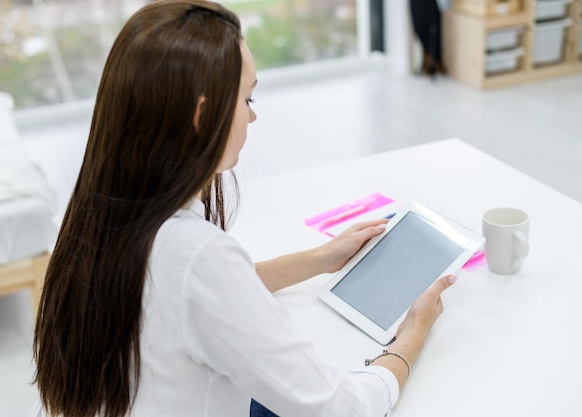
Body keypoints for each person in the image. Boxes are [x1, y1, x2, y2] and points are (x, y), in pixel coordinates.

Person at [32, 1, 457, 416]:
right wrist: (410, 338)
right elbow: (339, 407)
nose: (252, 118)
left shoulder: (106, 211)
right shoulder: (195, 254)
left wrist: (320, 259)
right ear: (203, 115)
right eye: (247, 100)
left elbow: (196, 296)